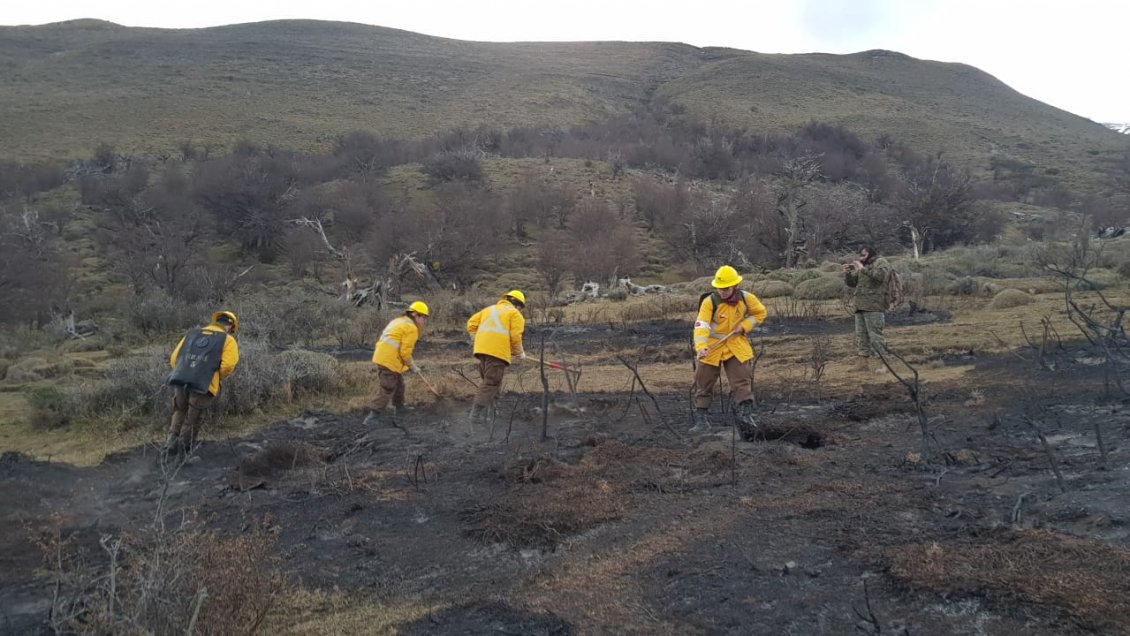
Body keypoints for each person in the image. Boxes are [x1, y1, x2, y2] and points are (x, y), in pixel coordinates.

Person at [691, 266, 768, 434]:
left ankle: (746, 419)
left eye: (726, 288)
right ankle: (702, 421)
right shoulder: (709, 302)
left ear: (734, 286)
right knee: (703, 383)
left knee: (742, 381)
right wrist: (701, 347)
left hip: (735, 346)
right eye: (719, 288)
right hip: (711, 348)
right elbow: (701, 326)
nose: (722, 291)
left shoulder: (747, 298)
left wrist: (745, 325)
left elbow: (760, 313)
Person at [165, 311, 240, 456]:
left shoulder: (192, 334)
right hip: (202, 385)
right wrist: (215, 377)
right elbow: (227, 366)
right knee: (193, 418)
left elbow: (174, 359)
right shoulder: (228, 340)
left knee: (179, 411)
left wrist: (185, 371)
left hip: (181, 379)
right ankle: (183, 454)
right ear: (230, 326)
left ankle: (169, 447)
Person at [466, 290, 526, 426]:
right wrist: (519, 352)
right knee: (491, 383)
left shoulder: (489, 309)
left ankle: (493, 413)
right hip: (497, 352)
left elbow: (471, 323)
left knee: (494, 383)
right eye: (521, 308)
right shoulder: (514, 313)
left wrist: (477, 339)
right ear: (517, 304)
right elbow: (515, 336)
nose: (521, 311)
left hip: (481, 351)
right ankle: (475, 416)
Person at [363, 301, 429, 426]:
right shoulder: (411, 328)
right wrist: (412, 366)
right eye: (423, 317)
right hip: (389, 360)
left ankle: (400, 409)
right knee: (388, 388)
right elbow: (405, 352)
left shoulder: (399, 321)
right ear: (415, 315)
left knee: (399, 385)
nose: (424, 321)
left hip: (385, 357)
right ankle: (372, 417)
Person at [843, 246, 892, 360]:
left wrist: (862, 269)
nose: (861, 258)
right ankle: (863, 362)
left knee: (875, 335)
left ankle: (883, 361)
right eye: (860, 255)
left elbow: (880, 277)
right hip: (860, 306)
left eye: (864, 255)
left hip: (874, 305)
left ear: (870, 254)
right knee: (861, 336)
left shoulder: (880, 262)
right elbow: (852, 283)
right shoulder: (863, 266)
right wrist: (848, 274)